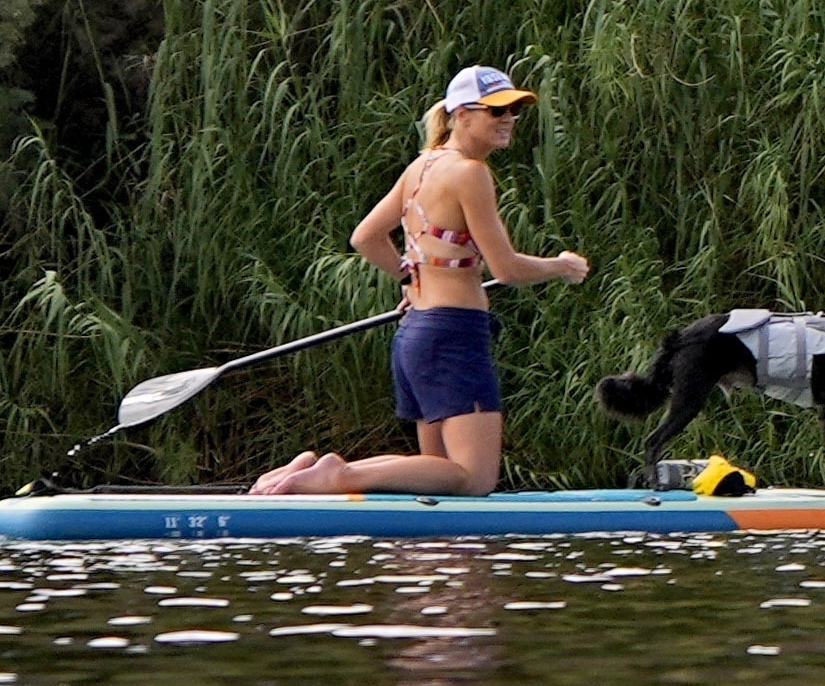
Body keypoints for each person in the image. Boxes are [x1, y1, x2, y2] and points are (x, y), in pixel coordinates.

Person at [252, 67, 593, 496]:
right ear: (461, 115)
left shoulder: (421, 167)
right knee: (474, 479)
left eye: (514, 110)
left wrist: (410, 280)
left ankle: (312, 470)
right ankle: (338, 476)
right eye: (496, 111)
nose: (508, 118)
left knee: (435, 470)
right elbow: (506, 269)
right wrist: (560, 266)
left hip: (416, 333)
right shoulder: (470, 173)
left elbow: (366, 238)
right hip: (453, 333)